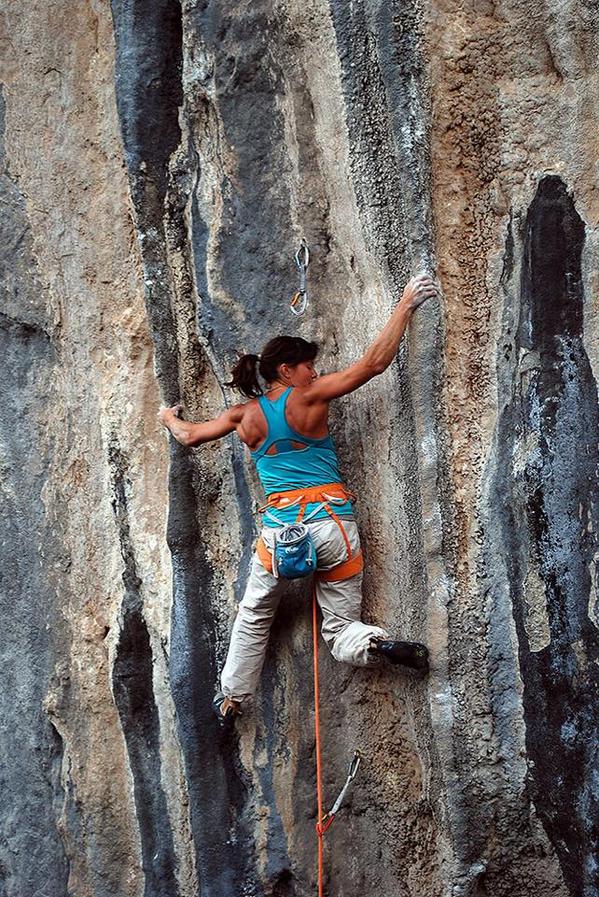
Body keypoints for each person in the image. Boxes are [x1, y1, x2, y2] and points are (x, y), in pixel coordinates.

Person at [158, 274, 439, 724]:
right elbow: (371, 365)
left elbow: (189, 436)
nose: (315, 371)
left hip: (280, 532)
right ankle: (375, 645)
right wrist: (405, 305)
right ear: (286, 371)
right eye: (308, 365)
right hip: (332, 525)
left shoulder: (242, 416)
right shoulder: (308, 396)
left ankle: (232, 697)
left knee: (253, 613)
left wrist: (166, 417)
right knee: (340, 627)